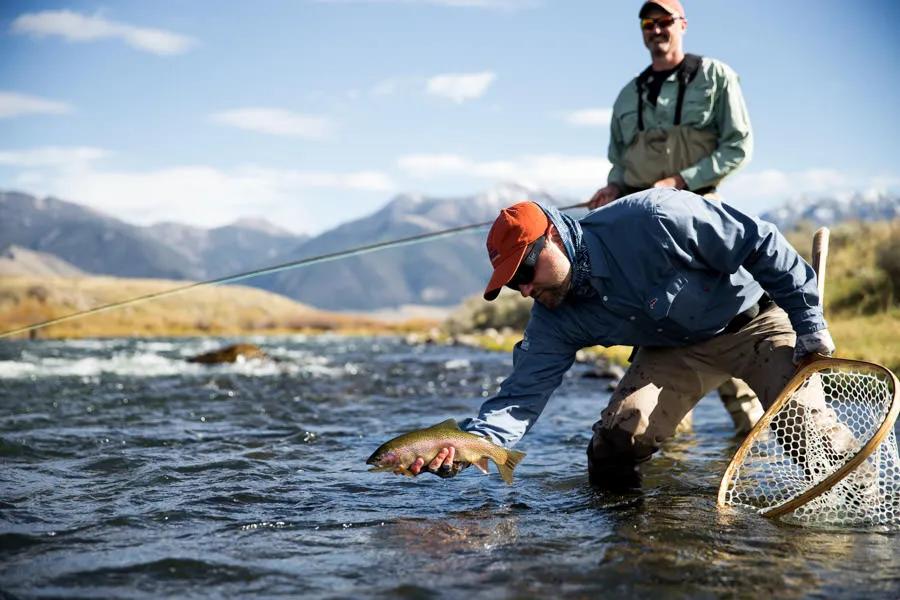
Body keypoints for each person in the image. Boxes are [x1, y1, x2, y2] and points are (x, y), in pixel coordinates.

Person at [408, 191, 835, 488]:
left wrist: (809, 322)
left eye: (524, 273)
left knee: (811, 438)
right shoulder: (554, 317)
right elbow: (519, 400)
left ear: (553, 238)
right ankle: (635, 559)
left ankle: (867, 519)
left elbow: (759, 242)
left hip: (754, 324)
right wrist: (469, 449)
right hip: (674, 351)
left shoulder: (655, 217)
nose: (523, 290)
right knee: (613, 446)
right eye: (510, 284)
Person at [589, 0, 761, 435]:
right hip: (644, 229)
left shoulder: (716, 76)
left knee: (725, 319)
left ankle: (750, 434)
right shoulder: (627, 95)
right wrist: (612, 189)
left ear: (682, 24)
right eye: (648, 22)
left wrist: (681, 183)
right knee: (659, 325)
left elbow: (737, 147)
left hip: (706, 217)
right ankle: (668, 445)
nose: (657, 29)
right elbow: (619, 164)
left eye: (665, 20)